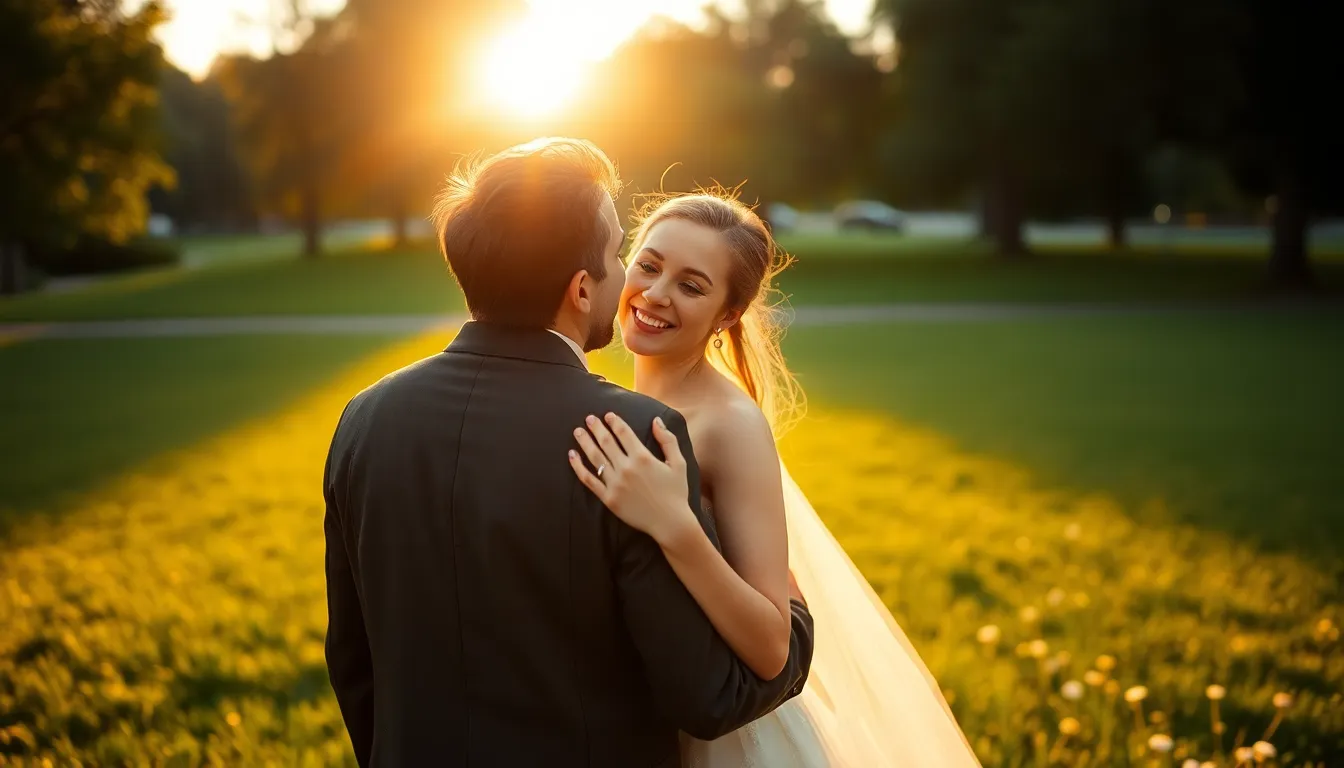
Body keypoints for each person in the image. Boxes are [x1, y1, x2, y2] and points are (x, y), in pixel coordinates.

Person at [322, 138, 815, 768]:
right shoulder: (626, 436)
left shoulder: (364, 419)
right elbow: (709, 695)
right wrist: (796, 626)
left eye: (690, 284)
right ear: (584, 287)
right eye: (628, 257)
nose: (647, 288)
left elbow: (352, 659)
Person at [569, 192, 982, 767]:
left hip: (729, 738)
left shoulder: (730, 425)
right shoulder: (629, 404)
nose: (656, 294)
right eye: (649, 265)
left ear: (728, 315)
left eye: (692, 286)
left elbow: (771, 646)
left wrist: (675, 525)